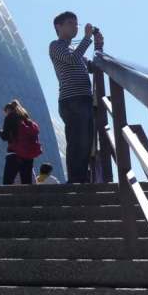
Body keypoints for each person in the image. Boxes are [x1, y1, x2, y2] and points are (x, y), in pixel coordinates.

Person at [49, 11, 104, 183]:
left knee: (86, 141)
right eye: (70, 23)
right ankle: (76, 179)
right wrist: (87, 38)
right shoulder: (55, 46)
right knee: (77, 140)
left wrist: (98, 46)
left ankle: (81, 177)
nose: (75, 27)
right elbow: (72, 60)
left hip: (84, 99)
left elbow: (92, 66)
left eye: (76, 23)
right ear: (59, 26)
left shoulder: (75, 49)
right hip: (71, 100)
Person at [0, 100, 41, 185]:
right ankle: (27, 198)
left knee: (7, 182)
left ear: (8, 109)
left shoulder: (10, 117)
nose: (5, 114)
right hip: (28, 155)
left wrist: (0, 133)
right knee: (27, 182)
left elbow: (5, 136)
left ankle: (6, 199)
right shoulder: (28, 120)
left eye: (5, 112)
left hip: (14, 153)